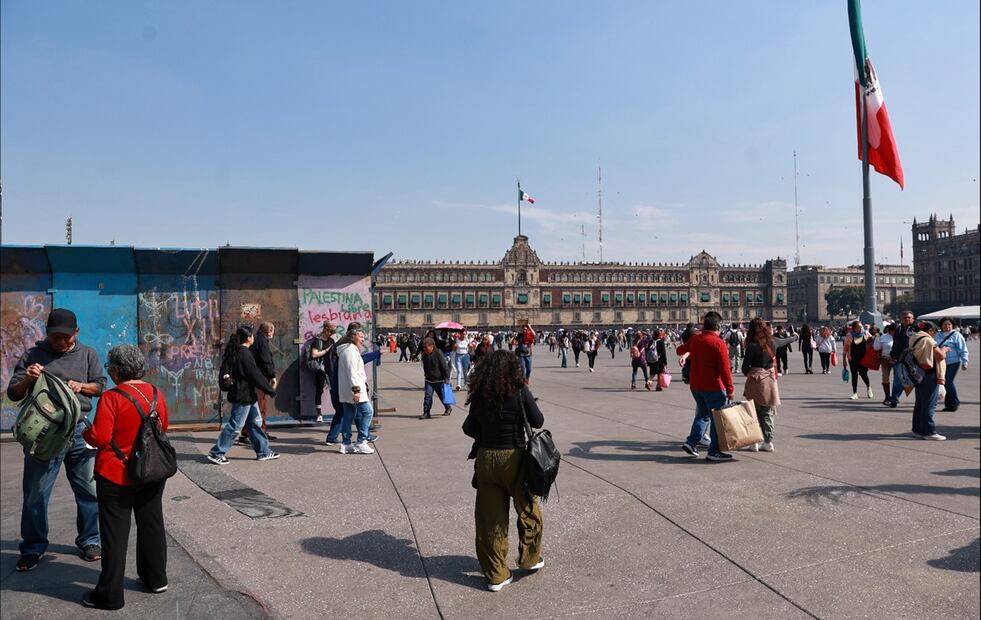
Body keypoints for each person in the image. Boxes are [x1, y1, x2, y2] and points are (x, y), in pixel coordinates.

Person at [7, 308, 105, 572]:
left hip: (79, 433)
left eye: (66, 337)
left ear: (76, 332)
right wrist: (28, 378)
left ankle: (90, 541)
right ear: (47, 334)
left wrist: (81, 386)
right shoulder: (33, 355)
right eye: (55, 337)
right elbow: (13, 395)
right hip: (44, 436)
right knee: (35, 494)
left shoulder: (87, 354)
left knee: (88, 491)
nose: (61, 342)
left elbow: (100, 386)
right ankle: (33, 547)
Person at [80, 345, 169, 610]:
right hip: (151, 471)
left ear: (118, 370)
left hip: (116, 474)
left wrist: (86, 431)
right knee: (152, 525)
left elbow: (100, 438)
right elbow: (162, 427)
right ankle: (156, 579)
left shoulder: (112, 397)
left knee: (114, 535)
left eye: (109, 366)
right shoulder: (156, 393)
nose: (108, 370)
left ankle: (110, 595)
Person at [462, 350, 545, 592]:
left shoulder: (480, 394)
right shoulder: (519, 391)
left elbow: (468, 428)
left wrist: (487, 428)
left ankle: (496, 575)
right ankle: (529, 558)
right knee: (528, 509)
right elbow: (538, 421)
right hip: (515, 459)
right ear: (513, 369)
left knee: (490, 519)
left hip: (487, 459)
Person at [207, 326, 279, 464]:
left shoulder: (238, 352)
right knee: (235, 425)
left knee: (254, 424)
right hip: (243, 395)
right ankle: (216, 452)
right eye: (252, 336)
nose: (254, 338)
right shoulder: (244, 353)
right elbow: (254, 375)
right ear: (249, 338)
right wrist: (269, 389)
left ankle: (263, 451)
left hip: (247, 395)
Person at [677, 312, 735, 462]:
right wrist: (730, 390)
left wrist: (689, 350)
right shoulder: (718, 343)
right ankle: (714, 451)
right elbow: (725, 369)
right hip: (714, 387)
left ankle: (691, 443)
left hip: (696, 386)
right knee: (716, 420)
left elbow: (679, 350)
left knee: (703, 415)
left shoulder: (696, 339)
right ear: (717, 326)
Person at [741, 318, 781, 452]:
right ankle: (768, 442)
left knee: (755, 412)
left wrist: (749, 373)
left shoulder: (752, 345)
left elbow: (745, 367)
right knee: (768, 412)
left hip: (756, 380)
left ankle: (755, 442)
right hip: (770, 380)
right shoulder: (772, 342)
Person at [908, 321, 949, 440]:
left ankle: (917, 429)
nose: (935, 334)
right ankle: (929, 431)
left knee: (920, 403)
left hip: (918, 374)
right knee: (929, 404)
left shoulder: (914, 337)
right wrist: (945, 350)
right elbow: (940, 356)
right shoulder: (928, 340)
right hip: (929, 374)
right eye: (935, 332)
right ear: (930, 331)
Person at [241, 321, 277, 444]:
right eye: (272, 330)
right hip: (260, 378)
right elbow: (266, 360)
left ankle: (259, 431)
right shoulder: (262, 342)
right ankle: (252, 432)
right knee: (259, 406)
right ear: (269, 331)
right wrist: (272, 375)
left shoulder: (258, 340)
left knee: (257, 406)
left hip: (257, 378)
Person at [306, 322, 337, 423]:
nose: (332, 333)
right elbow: (314, 355)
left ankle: (338, 410)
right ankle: (319, 413)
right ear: (326, 329)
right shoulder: (317, 341)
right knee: (319, 390)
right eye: (331, 331)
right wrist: (326, 350)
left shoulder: (331, 340)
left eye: (334, 331)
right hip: (320, 369)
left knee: (333, 388)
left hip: (330, 368)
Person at [885, 311, 916, 408]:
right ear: (901, 319)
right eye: (904, 318)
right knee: (898, 379)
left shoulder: (916, 329)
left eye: (909, 317)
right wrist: (892, 356)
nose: (907, 319)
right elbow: (895, 344)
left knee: (916, 380)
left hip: (913, 359)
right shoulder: (898, 329)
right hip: (899, 359)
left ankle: (921, 400)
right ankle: (894, 399)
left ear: (913, 319)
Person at [936, 317, 969, 412]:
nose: (947, 326)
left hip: (953, 362)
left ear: (952, 325)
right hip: (941, 362)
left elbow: (963, 349)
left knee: (948, 382)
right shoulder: (937, 335)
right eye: (945, 324)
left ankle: (955, 402)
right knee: (943, 382)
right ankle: (949, 405)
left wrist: (965, 361)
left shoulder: (957, 335)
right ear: (941, 326)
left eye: (949, 324)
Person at [419, 337, 452, 419]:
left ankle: (448, 407)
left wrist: (446, 378)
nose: (425, 349)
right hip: (429, 380)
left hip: (439, 380)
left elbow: (445, 366)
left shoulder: (438, 353)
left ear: (432, 346)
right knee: (428, 396)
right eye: (424, 347)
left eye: (426, 347)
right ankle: (426, 412)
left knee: (442, 396)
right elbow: (425, 367)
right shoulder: (424, 355)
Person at [843, 320, 873, 400]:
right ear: (854, 329)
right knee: (854, 375)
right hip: (852, 358)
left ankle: (868, 388)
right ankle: (855, 393)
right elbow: (845, 348)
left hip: (863, 359)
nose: (861, 328)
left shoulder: (866, 334)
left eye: (861, 327)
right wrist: (844, 360)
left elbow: (872, 341)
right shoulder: (849, 335)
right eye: (859, 327)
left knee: (864, 375)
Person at [873, 324, 896, 401]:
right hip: (885, 360)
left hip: (897, 360)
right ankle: (887, 396)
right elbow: (876, 348)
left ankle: (895, 396)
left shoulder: (899, 337)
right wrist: (877, 338)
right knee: (885, 378)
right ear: (890, 330)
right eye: (893, 331)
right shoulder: (883, 337)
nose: (894, 333)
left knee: (898, 379)